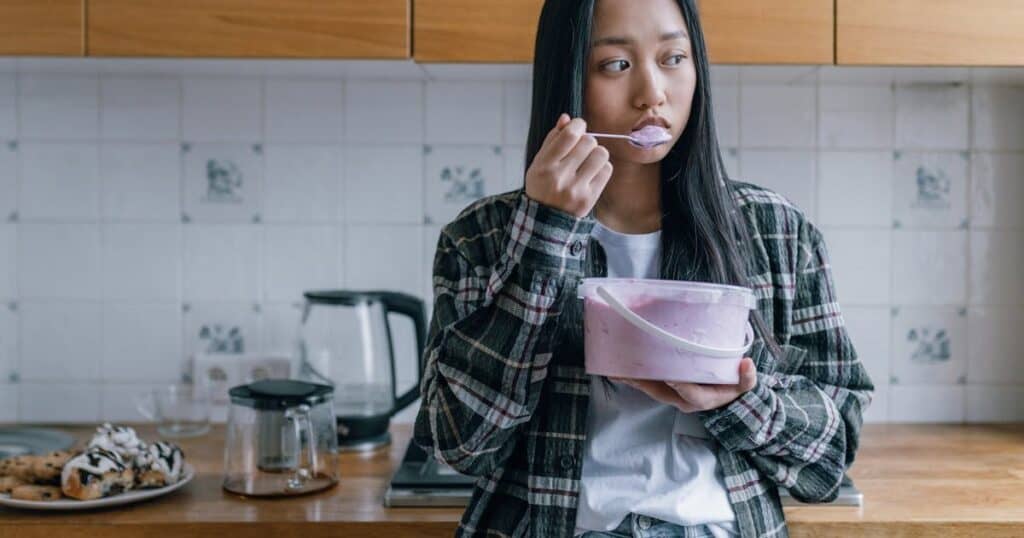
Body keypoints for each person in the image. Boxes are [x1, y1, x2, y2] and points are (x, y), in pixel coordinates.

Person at [413, 0, 875, 536]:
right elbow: (459, 444)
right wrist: (544, 236)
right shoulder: (481, 237)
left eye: (673, 57)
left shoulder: (776, 231)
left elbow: (832, 451)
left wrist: (739, 402)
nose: (653, 93)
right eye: (616, 65)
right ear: (568, 81)